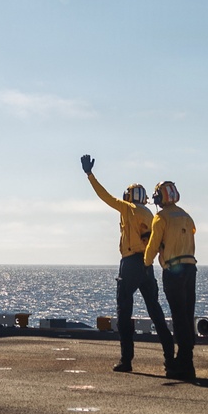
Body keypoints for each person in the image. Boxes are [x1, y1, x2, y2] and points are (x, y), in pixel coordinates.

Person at [80, 154, 174, 374]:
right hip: (147, 265)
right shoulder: (150, 213)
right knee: (156, 312)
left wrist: (89, 174)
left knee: (124, 312)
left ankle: (126, 360)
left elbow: (104, 196)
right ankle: (170, 359)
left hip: (130, 264)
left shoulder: (127, 208)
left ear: (129, 196)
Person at [143, 180, 198, 381]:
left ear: (160, 197)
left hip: (173, 269)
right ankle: (187, 358)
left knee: (178, 315)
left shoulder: (161, 217)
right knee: (187, 312)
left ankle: (183, 363)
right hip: (191, 267)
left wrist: (146, 263)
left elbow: (153, 245)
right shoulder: (186, 216)